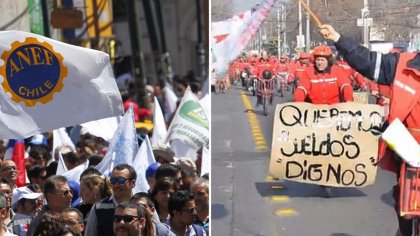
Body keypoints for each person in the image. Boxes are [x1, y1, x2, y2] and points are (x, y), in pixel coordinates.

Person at [319, 24, 420, 236]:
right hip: (411, 156)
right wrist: (338, 38)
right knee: (405, 212)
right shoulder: (402, 64)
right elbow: (369, 62)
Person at [84, 164, 137, 236]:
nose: (116, 185)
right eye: (113, 180)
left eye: (121, 180)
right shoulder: (99, 207)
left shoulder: (142, 205)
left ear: (132, 183)